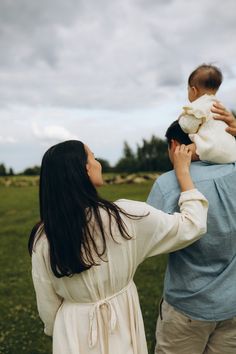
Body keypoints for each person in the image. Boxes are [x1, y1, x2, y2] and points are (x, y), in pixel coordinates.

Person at [29, 140, 208, 354]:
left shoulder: (43, 237)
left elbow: (48, 305)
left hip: (72, 328)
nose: (98, 163)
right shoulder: (125, 217)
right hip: (121, 317)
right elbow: (191, 225)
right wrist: (183, 174)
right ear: (85, 168)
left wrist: (57, 330)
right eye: (93, 157)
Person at [147, 107, 236, 354]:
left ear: (174, 145)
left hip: (186, 305)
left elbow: (147, 239)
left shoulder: (166, 184)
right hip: (233, 304)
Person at [178, 64, 236, 163]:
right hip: (231, 152)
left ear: (194, 90)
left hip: (210, 147)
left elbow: (188, 127)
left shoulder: (198, 106)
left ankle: (184, 174)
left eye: (187, 89)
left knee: (180, 154)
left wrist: (182, 118)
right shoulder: (222, 107)